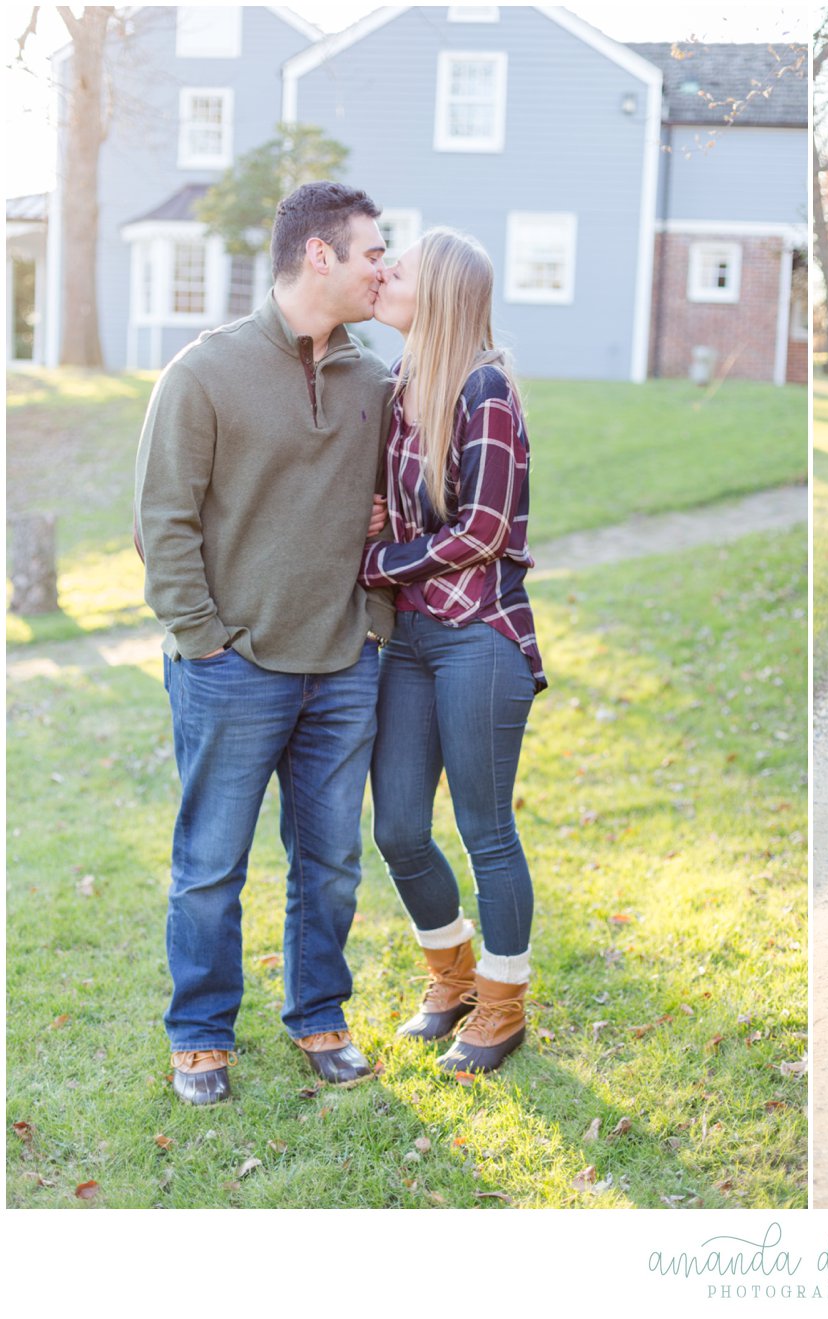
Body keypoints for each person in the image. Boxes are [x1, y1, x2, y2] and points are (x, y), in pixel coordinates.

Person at [134, 182, 394, 1105]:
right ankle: (201, 1034)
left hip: (343, 664)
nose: (384, 268)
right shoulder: (204, 373)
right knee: (210, 866)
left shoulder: (375, 379)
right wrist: (203, 641)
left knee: (328, 865)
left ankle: (319, 1015)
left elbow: (400, 501)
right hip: (231, 669)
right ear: (318, 255)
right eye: (373, 252)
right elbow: (161, 521)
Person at [361, 227, 546, 1075]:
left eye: (393, 271)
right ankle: (453, 975)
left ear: (433, 291)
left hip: (479, 636)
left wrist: (383, 558)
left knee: (485, 829)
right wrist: (379, 522)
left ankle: (503, 1004)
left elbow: (486, 529)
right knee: (399, 825)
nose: (380, 278)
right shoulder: (401, 387)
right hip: (410, 640)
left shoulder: (486, 390)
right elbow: (398, 506)